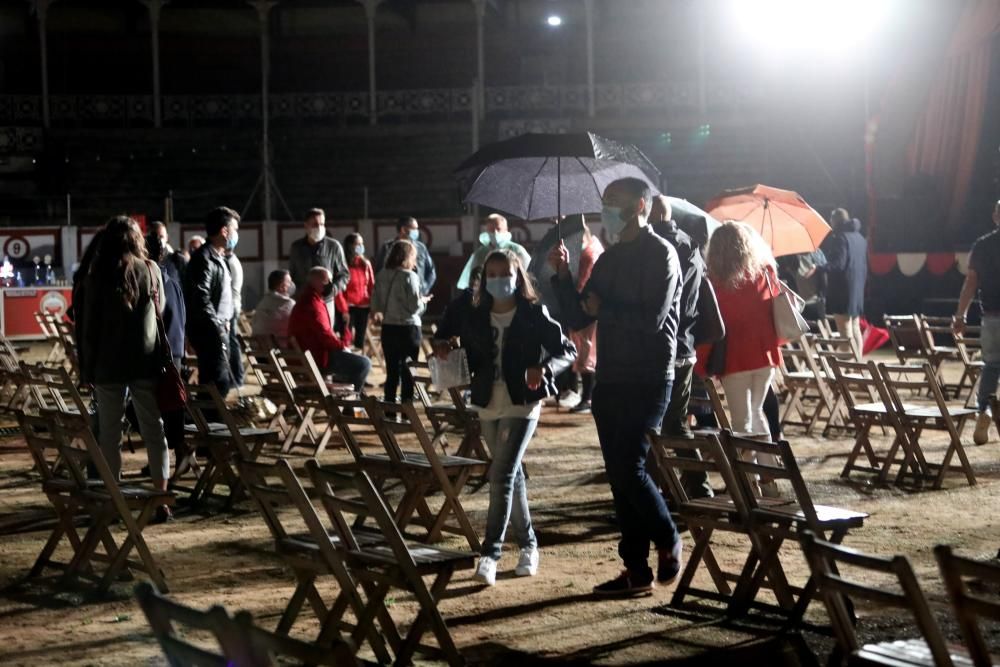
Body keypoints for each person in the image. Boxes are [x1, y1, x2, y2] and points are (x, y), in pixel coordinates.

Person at [549, 177, 684, 597]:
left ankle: (667, 536)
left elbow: (652, 320)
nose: (608, 210)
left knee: (632, 468)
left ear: (640, 205)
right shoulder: (607, 260)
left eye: (615, 202)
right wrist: (560, 276)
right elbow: (577, 316)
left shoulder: (661, 254)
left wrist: (605, 308)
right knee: (618, 475)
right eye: (605, 202)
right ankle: (636, 570)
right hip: (611, 377)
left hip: (648, 375)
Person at [434, 249, 575, 585]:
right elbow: (443, 331)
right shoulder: (473, 312)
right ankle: (529, 545)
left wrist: (543, 368)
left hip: (522, 404)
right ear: (483, 279)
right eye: (492, 274)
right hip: (486, 402)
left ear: (518, 275)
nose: (499, 280)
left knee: (500, 476)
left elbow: (566, 351)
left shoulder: (532, 313)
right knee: (510, 475)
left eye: (505, 272)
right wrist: (442, 342)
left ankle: (491, 552)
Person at [80, 216, 172, 521]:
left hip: (107, 363)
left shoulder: (98, 273)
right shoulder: (150, 269)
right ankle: (161, 497)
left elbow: (89, 326)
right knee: (153, 429)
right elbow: (161, 310)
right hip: (144, 360)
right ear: (137, 239)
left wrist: (87, 369)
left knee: (110, 433)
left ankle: (113, 498)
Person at [701, 221, 783, 496]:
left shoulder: (715, 281)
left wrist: (701, 366)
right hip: (765, 354)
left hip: (735, 358)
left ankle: (746, 484)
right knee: (757, 414)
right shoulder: (766, 272)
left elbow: (711, 326)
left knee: (741, 422)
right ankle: (768, 479)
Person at [649, 195, 714, 500]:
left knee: (650, 426)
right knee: (675, 424)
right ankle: (698, 489)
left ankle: (650, 494)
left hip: (659, 348)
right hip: (685, 346)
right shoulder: (693, 249)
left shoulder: (654, 250)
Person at [954, 199, 1000, 445]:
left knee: (991, 367)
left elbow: (970, 282)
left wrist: (960, 315)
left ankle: (985, 411)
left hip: (992, 316)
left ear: (995, 217)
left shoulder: (982, 245)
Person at [184, 207, 240, 397]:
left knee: (215, 383)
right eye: (235, 229)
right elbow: (201, 297)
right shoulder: (205, 258)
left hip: (218, 328)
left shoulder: (218, 257)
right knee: (217, 384)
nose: (236, 234)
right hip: (211, 332)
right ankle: (211, 423)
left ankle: (210, 423)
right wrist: (217, 327)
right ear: (224, 231)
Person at [145, 228, 188, 476]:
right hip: (173, 352)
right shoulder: (170, 279)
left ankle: (176, 452)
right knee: (166, 410)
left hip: (161, 354)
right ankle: (167, 456)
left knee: (156, 410)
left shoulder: (154, 282)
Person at [288, 267, 371, 391]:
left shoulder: (305, 300)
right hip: (317, 358)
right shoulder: (312, 304)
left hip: (307, 356)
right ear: (317, 282)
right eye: (328, 281)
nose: (331, 285)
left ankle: (348, 400)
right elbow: (325, 335)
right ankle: (351, 403)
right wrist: (342, 345)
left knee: (352, 361)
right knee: (364, 363)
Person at [371, 240, 429, 405]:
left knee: (391, 372)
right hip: (408, 329)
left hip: (388, 328)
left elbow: (376, 304)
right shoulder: (409, 276)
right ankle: (407, 410)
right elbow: (414, 307)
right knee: (409, 371)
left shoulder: (382, 274)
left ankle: (389, 408)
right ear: (408, 257)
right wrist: (423, 302)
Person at [288, 208, 350, 326]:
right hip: (303, 301)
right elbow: (292, 275)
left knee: (324, 336)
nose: (319, 227)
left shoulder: (334, 247)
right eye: (315, 224)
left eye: (322, 224)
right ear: (306, 226)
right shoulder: (296, 248)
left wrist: (333, 289)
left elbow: (344, 274)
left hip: (325, 302)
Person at [822, 209, 867, 357]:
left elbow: (838, 264)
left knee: (845, 334)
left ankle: (845, 369)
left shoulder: (840, 238)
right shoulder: (860, 238)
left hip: (842, 292)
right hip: (857, 291)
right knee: (855, 330)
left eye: (831, 219)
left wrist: (818, 268)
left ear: (835, 221)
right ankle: (858, 366)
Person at [457, 214, 532, 290]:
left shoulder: (517, 250)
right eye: (491, 230)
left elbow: (530, 273)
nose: (495, 232)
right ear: (486, 231)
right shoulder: (480, 253)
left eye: (498, 229)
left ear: (506, 229)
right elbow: (471, 279)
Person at [373, 217, 437, 297]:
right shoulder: (388, 247)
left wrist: (423, 289)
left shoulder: (421, 247)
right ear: (403, 229)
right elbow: (379, 272)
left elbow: (431, 272)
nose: (417, 232)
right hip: (394, 299)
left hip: (418, 297)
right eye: (414, 229)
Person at [343, 232, 375, 350]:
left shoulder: (366, 264)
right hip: (348, 305)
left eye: (362, 243)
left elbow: (371, 285)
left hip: (364, 304)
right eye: (358, 244)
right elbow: (342, 288)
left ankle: (360, 361)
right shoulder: (343, 264)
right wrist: (343, 307)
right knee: (347, 335)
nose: (361, 246)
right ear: (350, 246)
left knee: (360, 337)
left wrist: (374, 305)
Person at [252, 269, 296, 339]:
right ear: (282, 286)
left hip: (259, 347)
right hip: (282, 347)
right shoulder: (289, 304)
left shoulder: (263, 302)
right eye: (289, 282)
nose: (291, 285)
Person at [225, 247, 245, 388]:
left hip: (230, 306)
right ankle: (236, 378)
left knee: (232, 341)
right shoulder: (231, 261)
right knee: (232, 341)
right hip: (230, 306)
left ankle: (237, 378)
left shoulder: (231, 263)